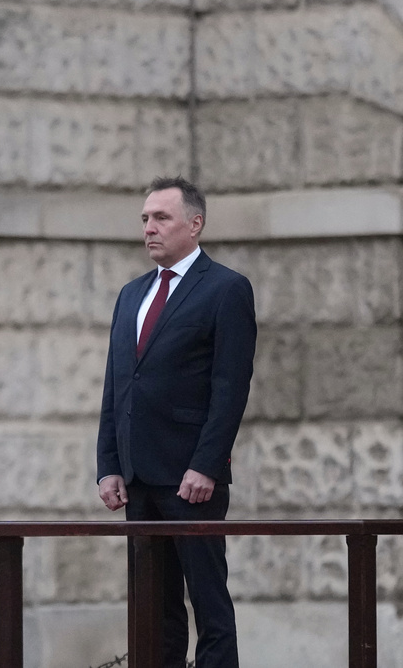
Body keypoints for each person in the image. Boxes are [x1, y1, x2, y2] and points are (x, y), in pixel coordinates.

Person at [96, 176, 256, 668]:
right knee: (153, 609)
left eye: (161, 218)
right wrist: (107, 466)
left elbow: (230, 389)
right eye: (145, 219)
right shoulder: (131, 294)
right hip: (138, 479)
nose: (149, 229)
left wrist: (206, 465)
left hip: (192, 481)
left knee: (208, 604)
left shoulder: (227, 288)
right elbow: (116, 386)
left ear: (195, 223)